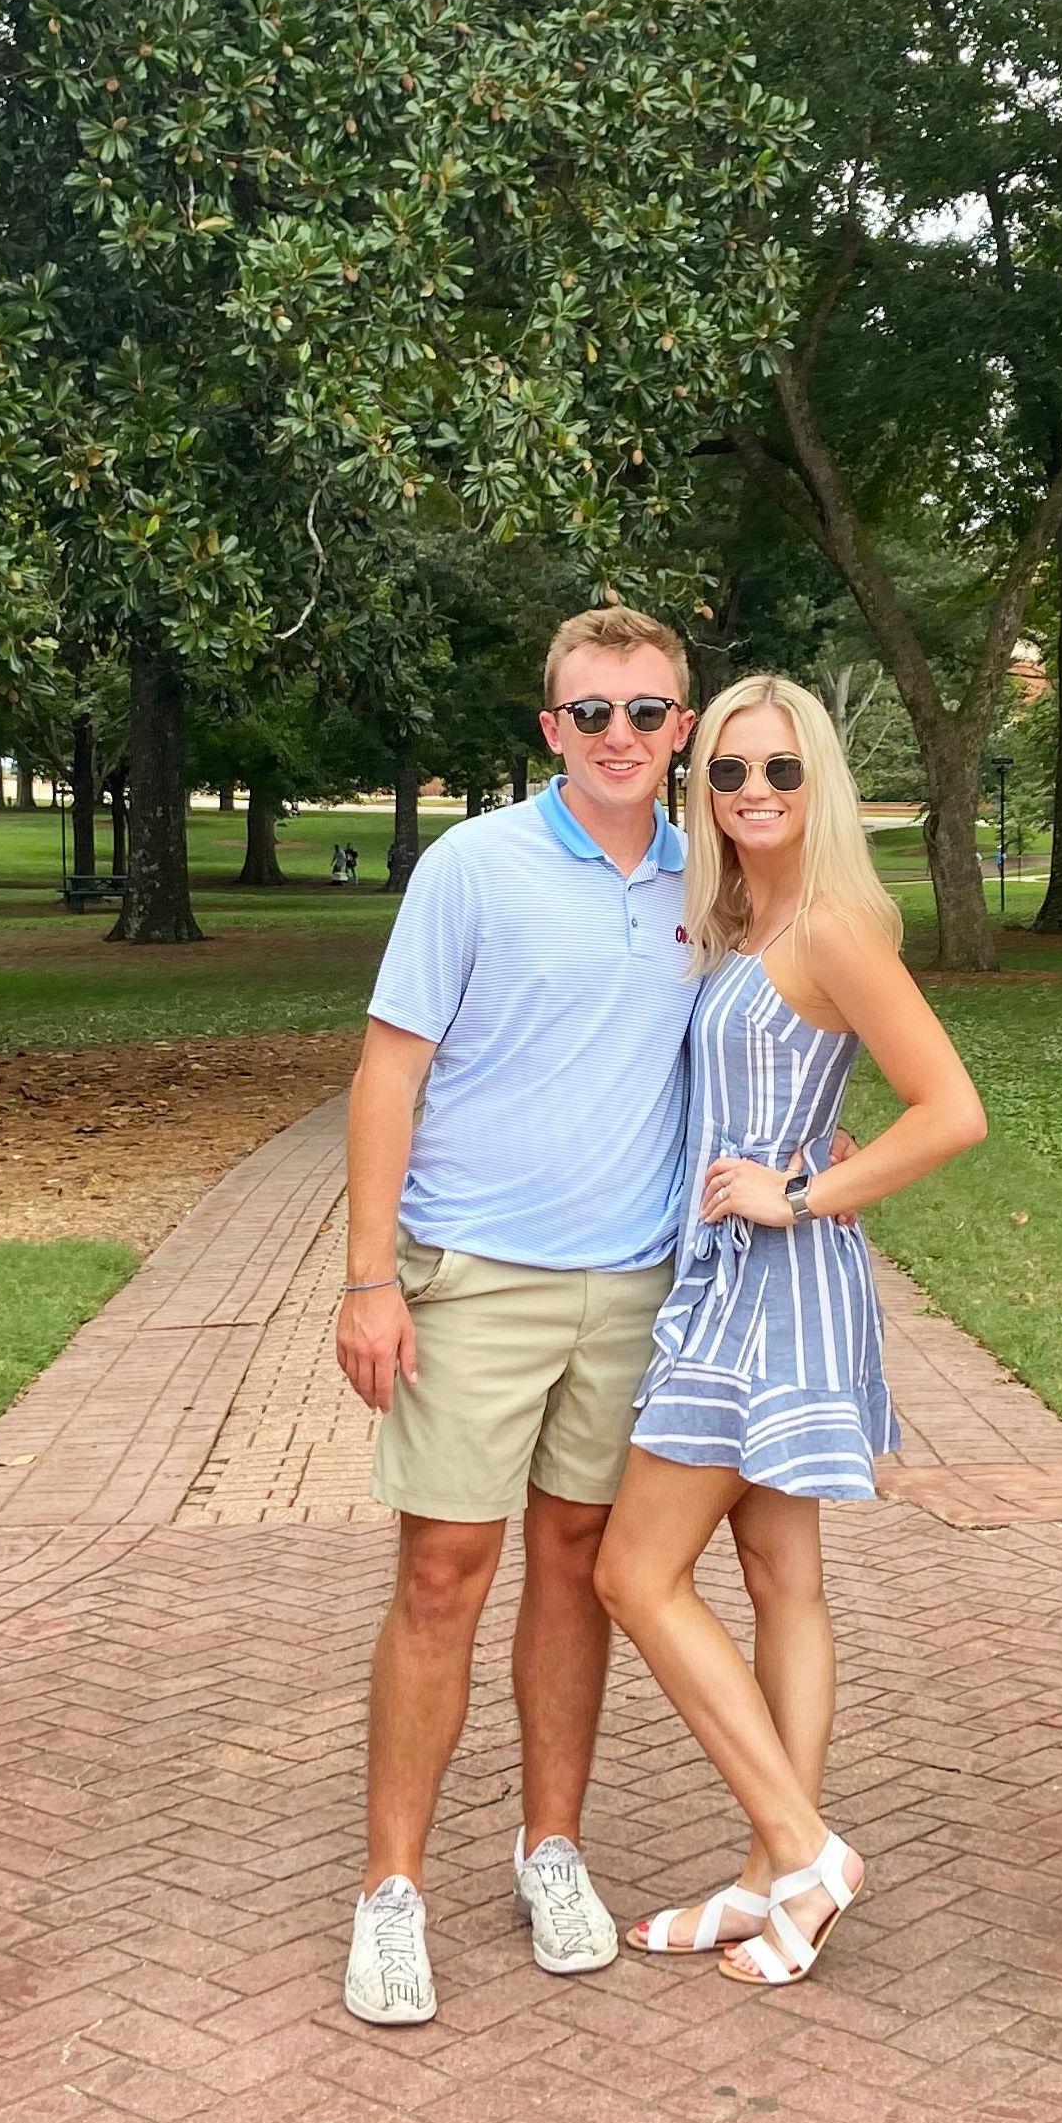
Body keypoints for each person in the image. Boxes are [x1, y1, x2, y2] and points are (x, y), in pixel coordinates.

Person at [330, 605, 706, 2026]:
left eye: (649, 711)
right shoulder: (470, 867)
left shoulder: (707, 873)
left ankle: (552, 1850)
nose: (622, 736)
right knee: (443, 1575)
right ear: (550, 728)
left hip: (635, 1285)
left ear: (683, 725)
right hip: (475, 1274)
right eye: (592, 711)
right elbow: (388, 1073)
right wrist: (371, 1278)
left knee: (579, 1567)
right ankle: (392, 1890)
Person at [593, 673, 987, 1990]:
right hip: (742, 1273)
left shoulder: (830, 929)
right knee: (779, 1577)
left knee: (633, 1573)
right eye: (729, 773)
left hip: (772, 1277)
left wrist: (804, 1187)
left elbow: (952, 1108)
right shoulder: (745, 921)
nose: (752, 793)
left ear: (819, 785)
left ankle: (803, 1849)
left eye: (780, 772)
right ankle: (776, 1887)